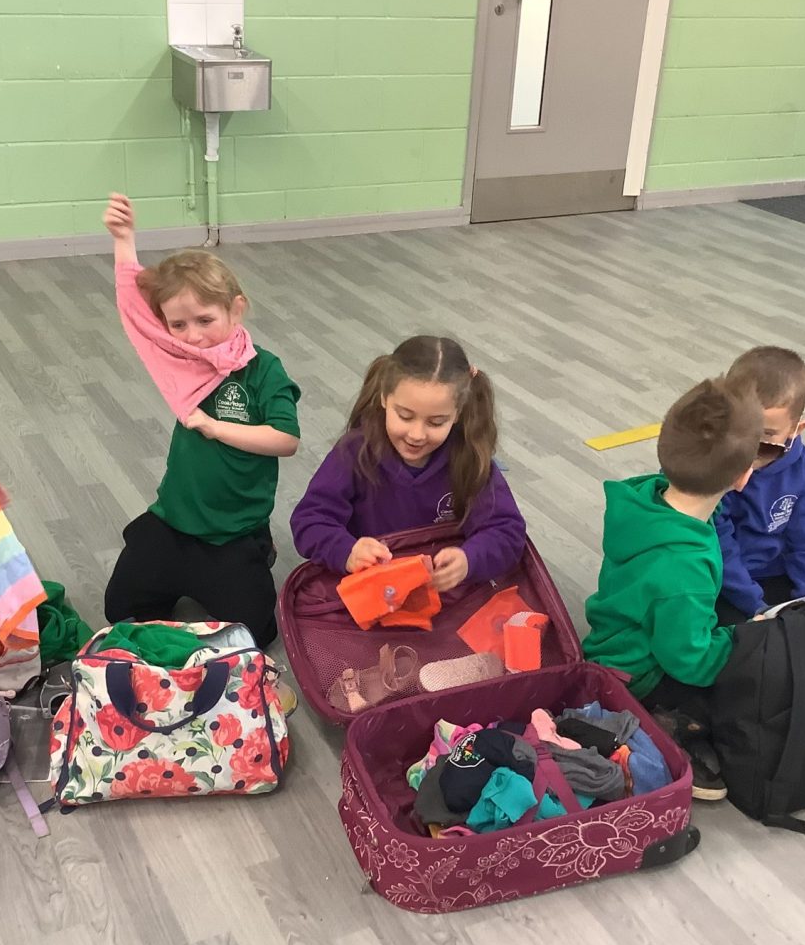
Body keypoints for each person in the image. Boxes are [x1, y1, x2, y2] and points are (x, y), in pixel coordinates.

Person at [101, 194, 301, 654]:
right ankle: (173, 568)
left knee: (256, 633)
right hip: (174, 522)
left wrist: (215, 427)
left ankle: (258, 546)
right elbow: (135, 313)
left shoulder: (263, 369)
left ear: (236, 309)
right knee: (120, 609)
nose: (193, 336)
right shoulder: (181, 358)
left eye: (206, 320)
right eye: (178, 325)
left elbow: (285, 439)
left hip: (232, 532)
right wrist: (124, 241)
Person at [582, 377, 764, 799]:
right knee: (745, 682)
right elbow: (688, 661)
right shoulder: (683, 571)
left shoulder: (648, 499)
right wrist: (740, 644)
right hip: (643, 675)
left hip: (620, 642)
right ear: (743, 477)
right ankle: (666, 730)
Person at [290, 335, 525, 591]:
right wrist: (347, 551)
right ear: (384, 398)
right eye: (404, 416)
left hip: (442, 593)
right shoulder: (355, 452)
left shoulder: (469, 459)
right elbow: (309, 520)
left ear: (458, 413)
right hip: (370, 588)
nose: (416, 434)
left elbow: (507, 532)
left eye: (436, 422)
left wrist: (469, 560)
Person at [714, 346, 805, 625]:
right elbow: (720, 547)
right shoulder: (714, 464)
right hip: (721, 580)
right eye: (740, 429)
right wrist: (756, 605)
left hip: (772, 573)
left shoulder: (801, 468)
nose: (749, 448)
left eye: (765, 437)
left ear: (796, 429)